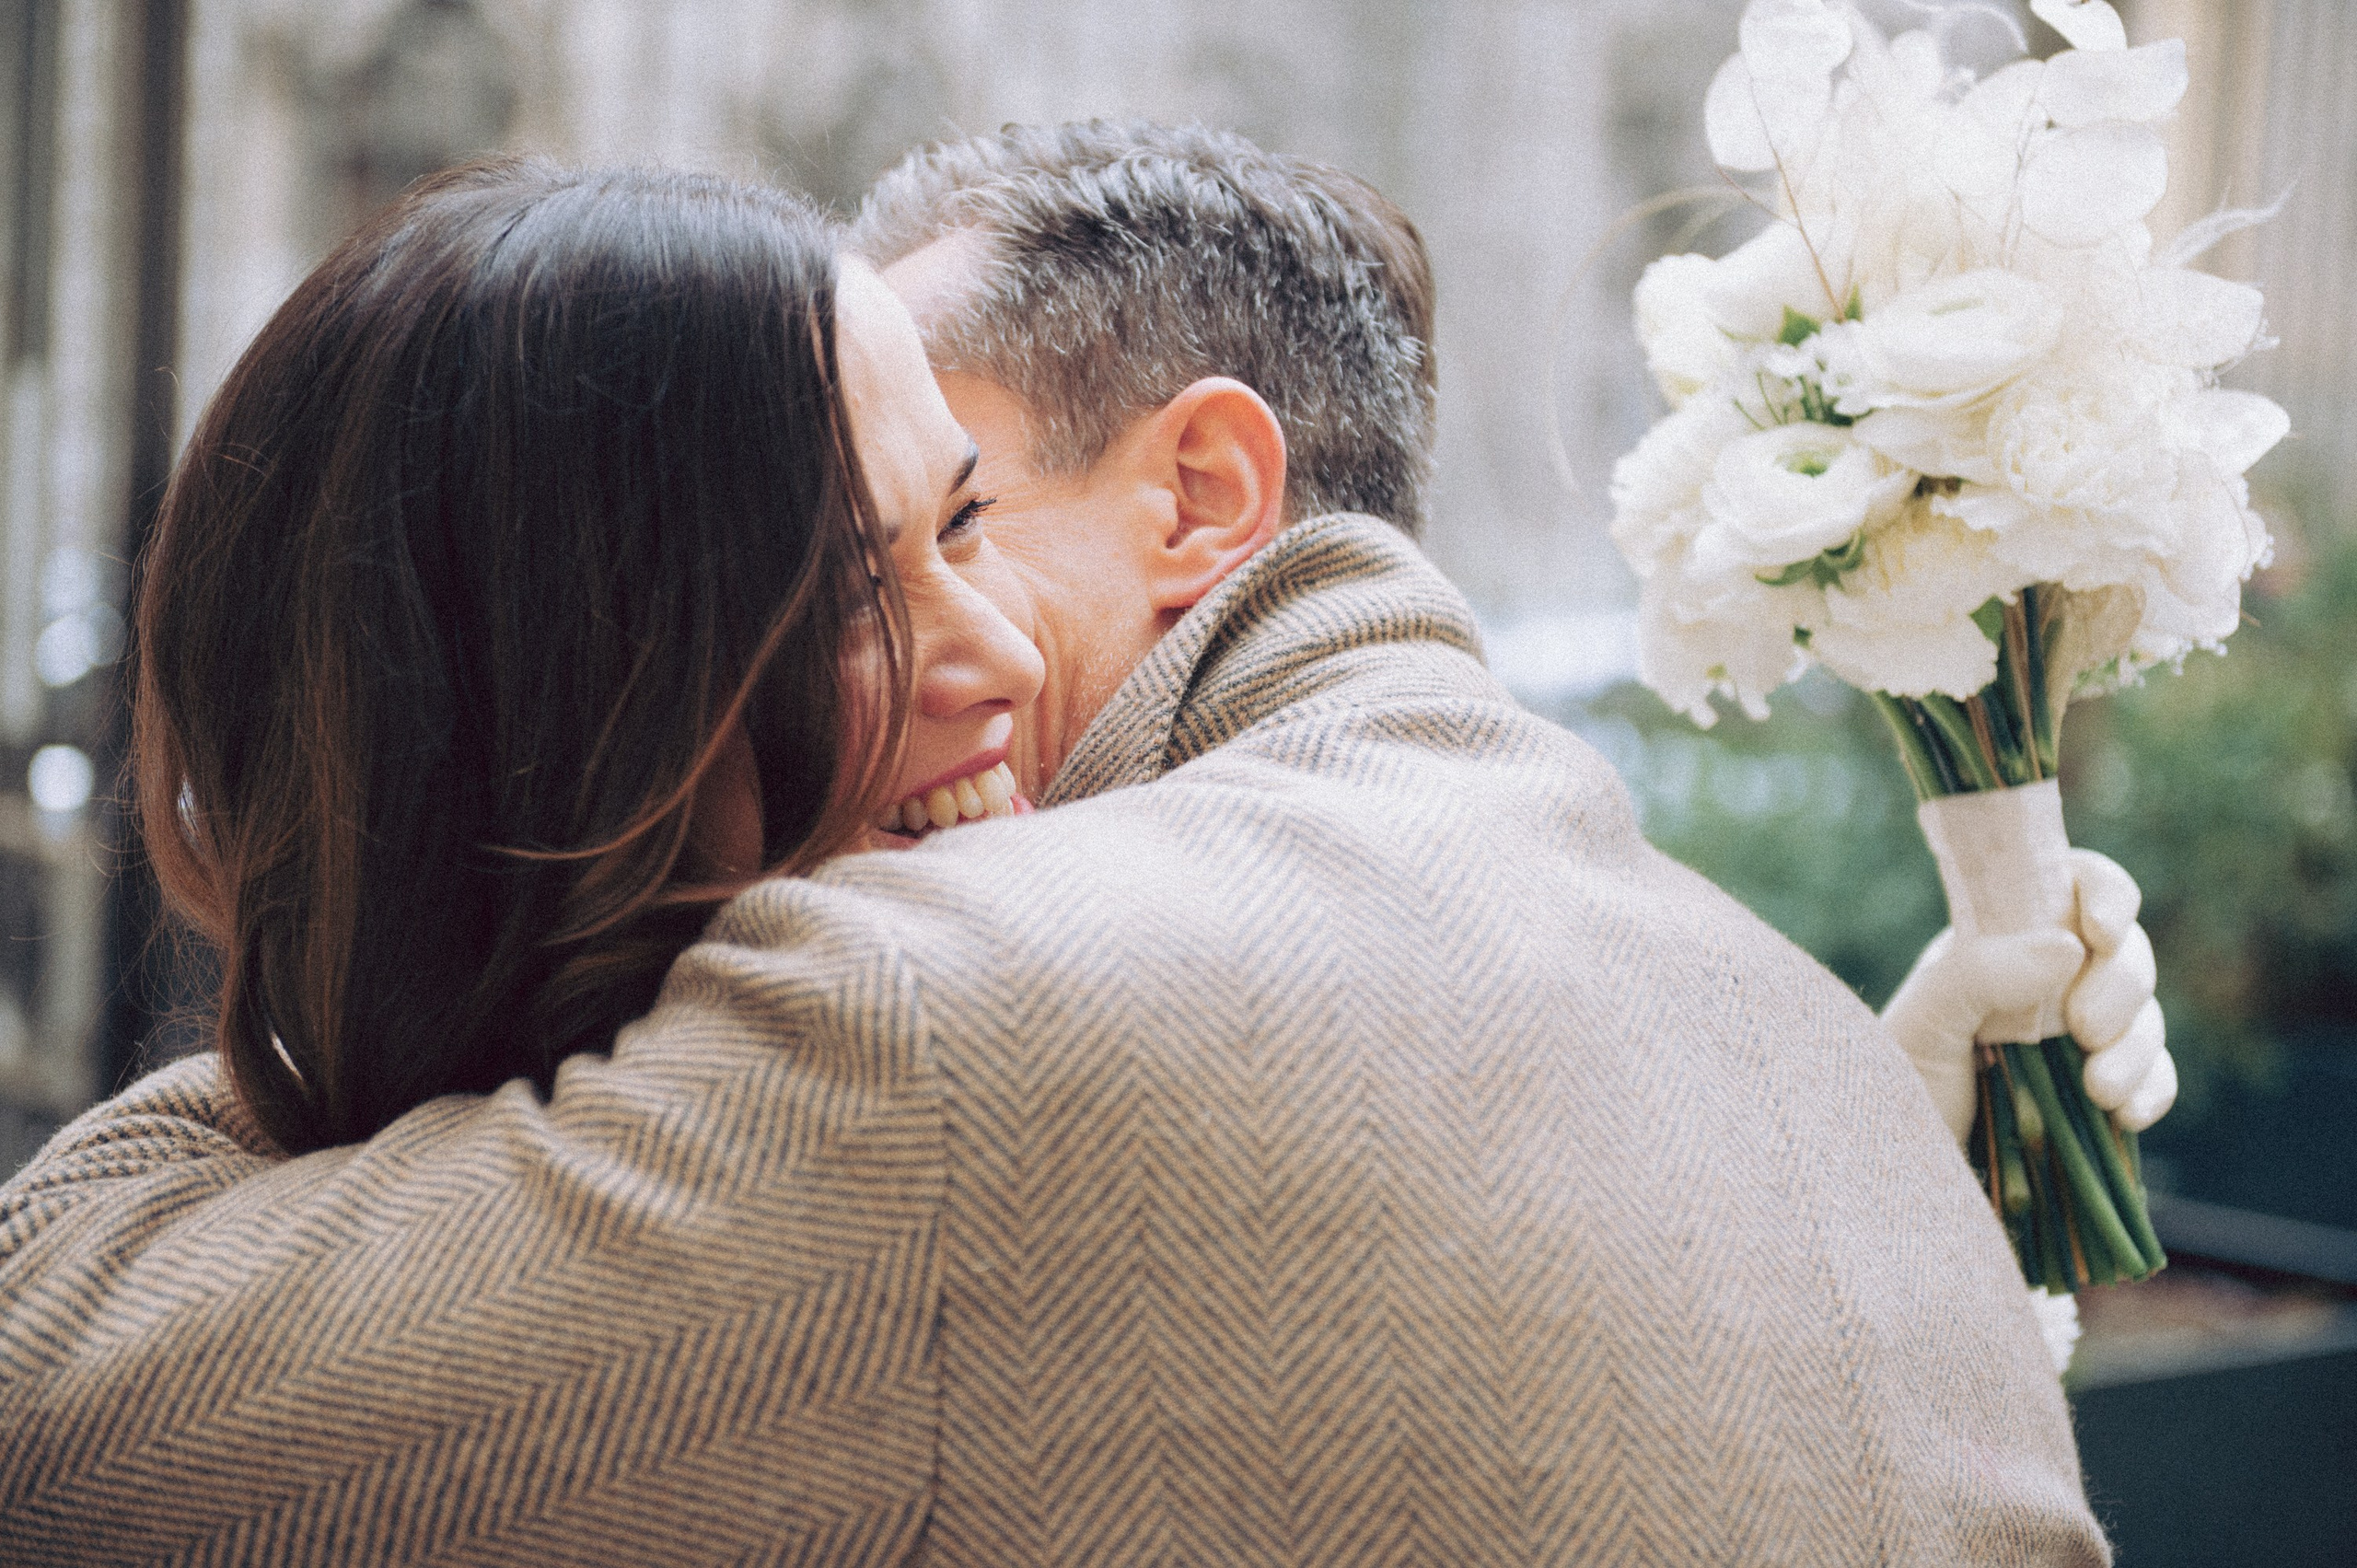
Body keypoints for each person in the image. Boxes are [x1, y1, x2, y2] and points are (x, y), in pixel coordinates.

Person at [0, 126, 2164, 1562]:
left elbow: (56, 1416)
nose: (973, 648)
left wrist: (446, 886)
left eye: (958, 517)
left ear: (1204, 497)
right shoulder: (1785, 1036)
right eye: (829, 577)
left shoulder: (950, 1023)